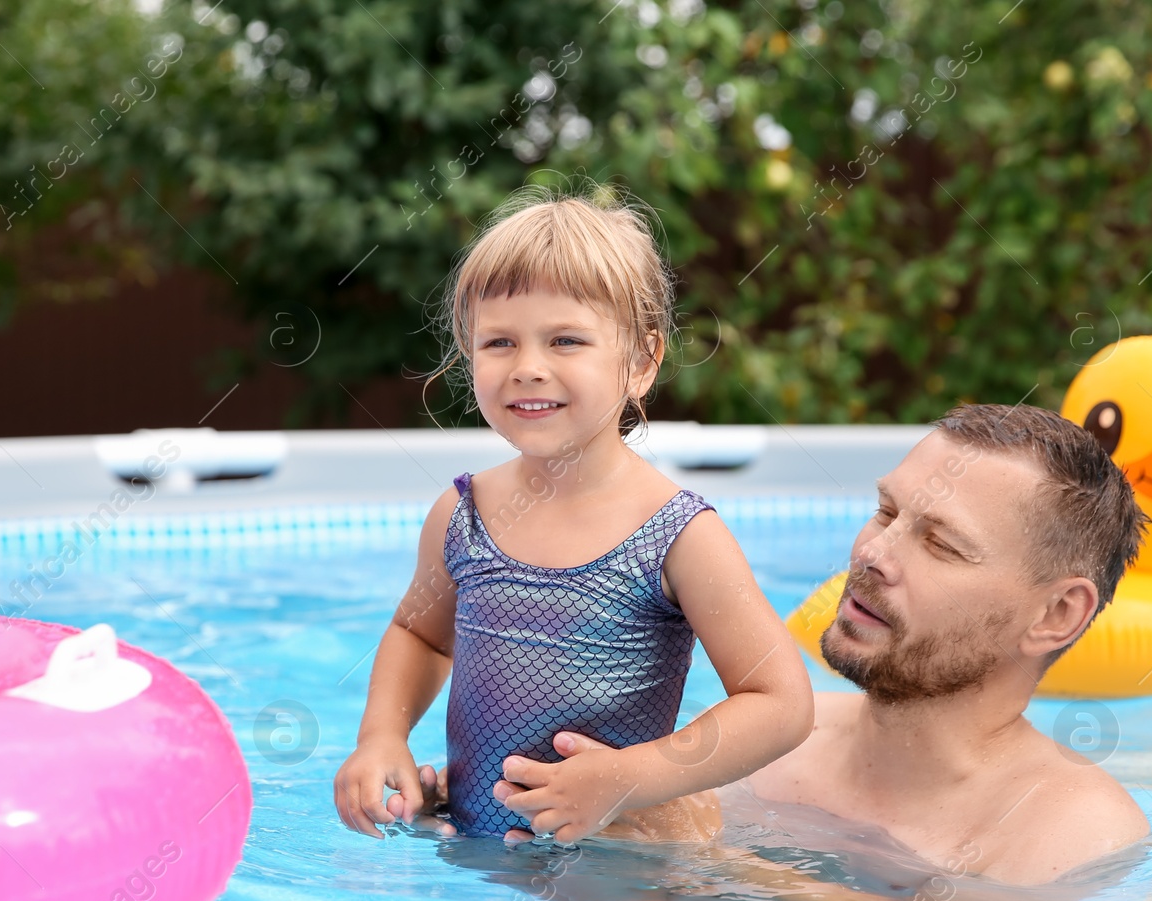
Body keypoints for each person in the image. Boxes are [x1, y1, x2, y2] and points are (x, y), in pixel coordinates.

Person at [401, 403, 1152, 885]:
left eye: (942, 544)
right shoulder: (767, 740)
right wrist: (491, 807)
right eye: (886, 511)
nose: (874, 553)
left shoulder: (1071, 829)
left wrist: (711, 861)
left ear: (1057, 614)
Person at [333, 184, 815, 841]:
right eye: (499, 342)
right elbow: (419, 635)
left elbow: (780, 704)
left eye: (565, 340)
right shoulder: (461, 514)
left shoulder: (677, 536)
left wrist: (630, 777)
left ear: (642, 362)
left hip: (616, 875)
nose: (528, 367)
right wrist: (381, 734)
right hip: (476, 850)